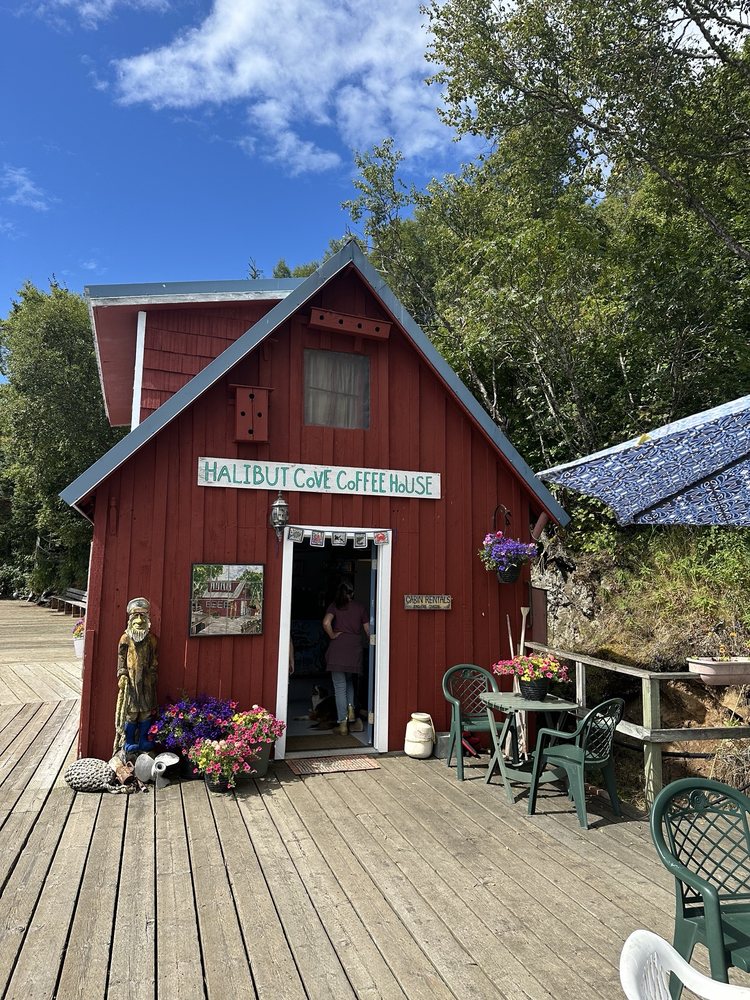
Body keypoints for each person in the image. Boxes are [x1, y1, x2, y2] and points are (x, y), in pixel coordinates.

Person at [322, 581, 369, 736]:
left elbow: (326, 622)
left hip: (338, 649)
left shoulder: (335, 606)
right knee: (349, 682)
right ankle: (351, 711)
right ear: (352, 593)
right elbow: (368, 631)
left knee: (339, 687)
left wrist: (332, 635)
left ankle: (342, 724)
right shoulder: (360, 608)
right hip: (354, 649)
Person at [113, 597, 159, 756]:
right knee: (131, 712)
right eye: (136, 616)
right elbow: (121, 657)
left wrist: (152, 673)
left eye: (143, 616)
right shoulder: (125, 638)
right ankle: (129, 740)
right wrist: (122, 674)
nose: (139, 620)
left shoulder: (151, 639)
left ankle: (143, 740)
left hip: (146, 682)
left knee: (146, 711)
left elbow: (154, 658)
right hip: (131, 682)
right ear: (130, 620)